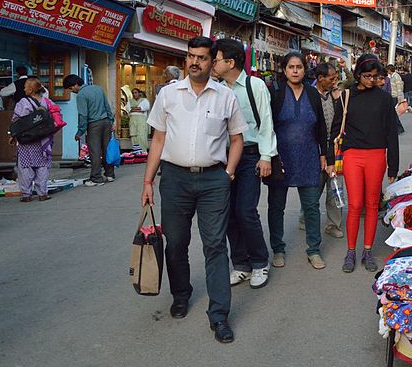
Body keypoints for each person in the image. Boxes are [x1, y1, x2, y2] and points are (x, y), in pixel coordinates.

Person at [141, 36, 247, 344]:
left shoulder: (225, 97)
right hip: (174, 180)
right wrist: (148, 181)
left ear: (212, 61)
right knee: (175, 243)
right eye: (191, 56)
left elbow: (237, 139)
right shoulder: (168, 95)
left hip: (214, 180)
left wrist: (227, 174)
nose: (195, 62)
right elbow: (158, 140)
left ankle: (219, 315)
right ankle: (180, 294)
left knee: (215, 246)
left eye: (201, 57)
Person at [210, 38, 276, 290]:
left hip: (250, 157)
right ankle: (240, 265)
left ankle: (260, 262)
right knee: (227, 214)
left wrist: (265, 156)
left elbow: (266, 121)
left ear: (231, 62)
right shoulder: (215, 89)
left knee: (246, 211)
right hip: (222, 159)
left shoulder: (254, 85)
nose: (213, 64)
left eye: (216, 60)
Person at [329, 54, 399, 273]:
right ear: (358, 74)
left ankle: (367, 250)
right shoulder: (346, 96)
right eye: (367, 76)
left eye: (375, 76)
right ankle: (351, 251)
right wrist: (330, 161)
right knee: (355, 204)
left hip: (377, 155)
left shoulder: (385, 99)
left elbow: (391, 133)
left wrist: (393, 165)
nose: (371, 80)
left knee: (371, 205)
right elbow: (334, 129)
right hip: (352, 156)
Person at [267, 52, 329, 271]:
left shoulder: (312, 94)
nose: (295, 71)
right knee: (276, 207)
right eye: (291, 67)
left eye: (299, 67)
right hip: (281, 158)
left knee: (312, 206)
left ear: (305, 69)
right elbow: (268, 126)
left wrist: (324, 155)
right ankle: (278, 249)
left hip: (309, 157)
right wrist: (267, 155)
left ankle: (313, 250)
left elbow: (321, 126)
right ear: (284, 70)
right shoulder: (275, 92)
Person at [298, 62, 344, 240]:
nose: (335, 81)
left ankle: (333, 224)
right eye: (331, 78)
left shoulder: (336, 95)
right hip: (314, 150)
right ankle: (305, 218)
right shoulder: (307, 95)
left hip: (335, 150)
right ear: (320, 78)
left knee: (336, 189)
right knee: (313, 189)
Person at [63, 74, 116, 186]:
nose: (72, 91)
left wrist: (80, 132)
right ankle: (110, 174)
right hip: (106, 122)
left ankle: (97, 178)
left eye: (71, 88)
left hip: (94, 125)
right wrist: (111, 121)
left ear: (76, 84)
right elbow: (107, 106)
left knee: (95, 152)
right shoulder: (98, 88)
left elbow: (83, 115)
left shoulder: (81, 95)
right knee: (107, 149)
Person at [11, 78, 56, 202]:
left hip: (27, 140)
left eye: (25, 87)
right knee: (42, 166)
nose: (24, 89)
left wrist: (13, 135)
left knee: (25, 166)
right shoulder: (47, 102)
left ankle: (26, 194)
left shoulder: (23, 102)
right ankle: (42, 193)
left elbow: (17, 121)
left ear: (30, 90)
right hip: (43, 140)